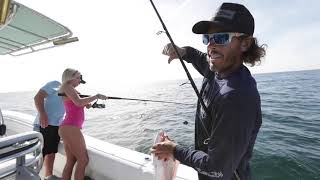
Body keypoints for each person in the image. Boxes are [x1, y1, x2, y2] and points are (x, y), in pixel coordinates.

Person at [151, 2, 266, 180]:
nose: (211, 46)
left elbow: (217, 168)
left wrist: (174, 149)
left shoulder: (237, 97)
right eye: (207, 38)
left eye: (220, 38)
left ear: (245, 43)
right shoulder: (217, 67)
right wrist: (182, 51)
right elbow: (199, 57)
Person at [58, 68, 107, 180]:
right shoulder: (66, 86)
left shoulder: (73, 90)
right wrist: (96, 96)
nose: (80, 80)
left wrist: (93, 104)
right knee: (83, 160)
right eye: (78, 77)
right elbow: (79, 102)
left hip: (68, 128)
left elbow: (83, 103)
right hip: (70, 127)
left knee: (71, 161)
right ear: (70, 77)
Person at [33, 80, 65, 180]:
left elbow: (79, 101)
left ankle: (48, 177)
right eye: (78, 78)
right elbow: (38, 97)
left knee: (51, 152)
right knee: (39, 155)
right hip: (44, 124)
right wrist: (42, 114)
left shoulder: (70, 90)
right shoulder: (55, 84)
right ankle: (32, 176)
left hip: (56, 126)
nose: (79, 81)